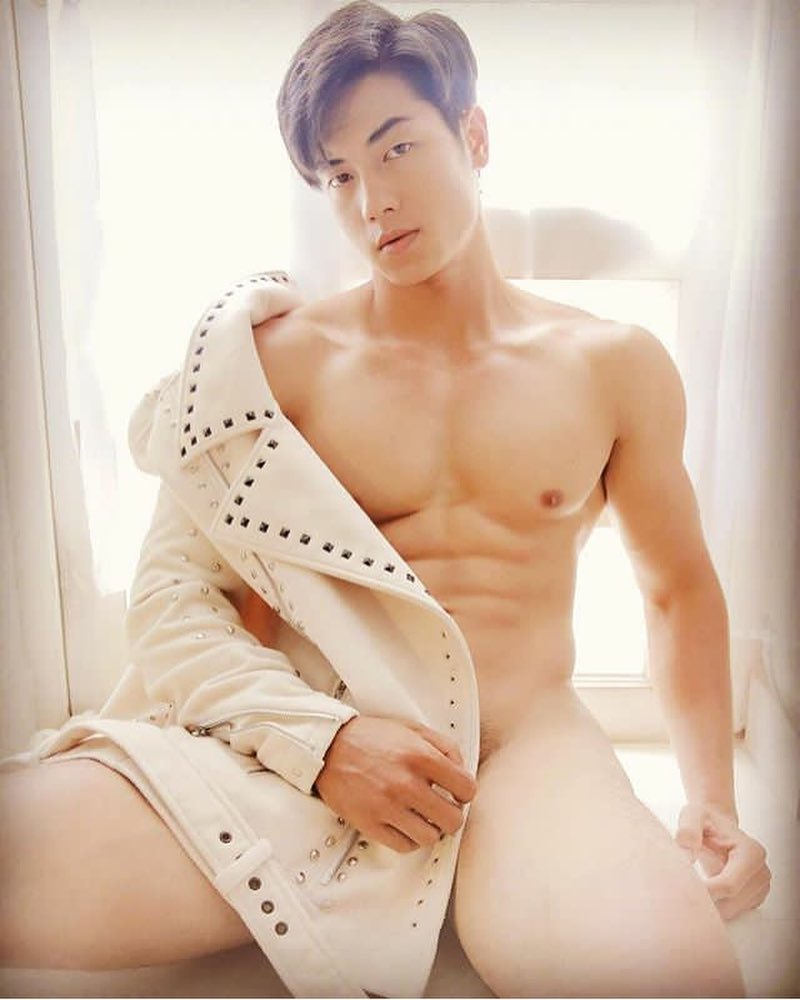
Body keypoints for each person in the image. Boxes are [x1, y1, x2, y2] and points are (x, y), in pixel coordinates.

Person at [0, 1, 771, 996]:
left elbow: (676, 590)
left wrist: (711, 803)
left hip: (521, 755)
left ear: (474, 136)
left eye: (397, 147)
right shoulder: (266, 365)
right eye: (338, 175)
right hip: (297, 750)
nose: (373, 201)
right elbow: (169, 607)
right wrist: (323, 745)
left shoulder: (612, 364)